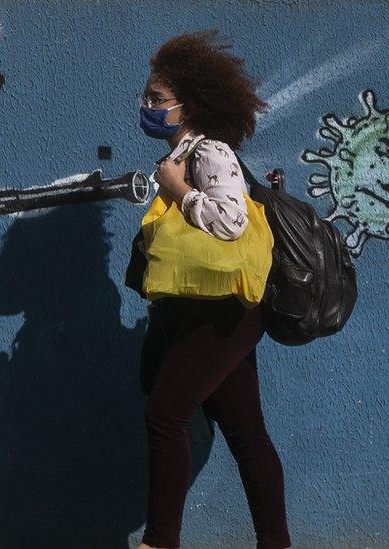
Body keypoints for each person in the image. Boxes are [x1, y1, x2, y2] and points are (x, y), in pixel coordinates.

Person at [132, 30, 292, 549]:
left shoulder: (210, 154)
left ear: (189, 104)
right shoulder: (179, 155)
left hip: (223, 313)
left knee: (164, 416)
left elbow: (231, 222)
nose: (147, 106)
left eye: (157, 99)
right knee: (247, 435)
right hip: (204, 311)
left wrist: (178, 192)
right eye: (147, 97)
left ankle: (160, 542)